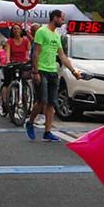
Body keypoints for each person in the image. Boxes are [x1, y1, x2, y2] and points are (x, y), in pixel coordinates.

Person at [25, 10, 80, 142]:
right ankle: (30, 122)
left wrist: (73, 71)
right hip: (41, 71)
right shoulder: (41, 32)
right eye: (62, 19)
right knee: (41, 101)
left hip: (52, 71)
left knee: (51, 103)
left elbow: (62, 55)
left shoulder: (56, 35)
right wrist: (35, 71)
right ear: (55, 18)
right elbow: (36, 53)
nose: (63, 21)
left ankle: (47, 132)